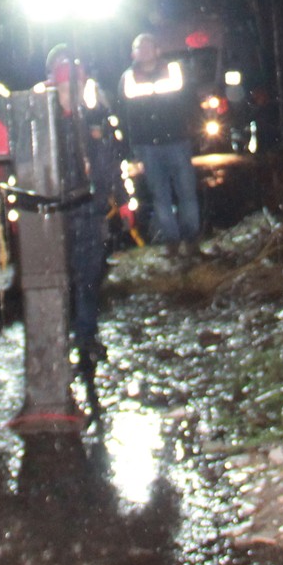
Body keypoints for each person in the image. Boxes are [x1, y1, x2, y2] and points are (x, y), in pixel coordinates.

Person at [47, 45, 125, 372]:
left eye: (74, 88)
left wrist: (118, 197)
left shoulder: (96, 118)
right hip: (59, 216)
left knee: (91, 277)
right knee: (61, 281)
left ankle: (87, 336)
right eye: (65, 89)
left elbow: (110, 160)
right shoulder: (46, 124)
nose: (71, 96)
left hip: (90, 212)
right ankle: (60, 342)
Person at [117, 31, 202, 258]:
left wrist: (191, 130)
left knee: (187, 193)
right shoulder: (128, 78)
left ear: (157, 50)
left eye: (147, 47)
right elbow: (125, 116)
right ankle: (172, 243)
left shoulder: (173, 70)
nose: (143, 52)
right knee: (160, 196)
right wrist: (132, 149)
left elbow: (188, 100)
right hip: (148, 147)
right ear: (133, 53)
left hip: (177, 142)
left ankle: (192, 240)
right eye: (139, 48)